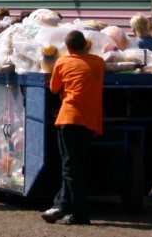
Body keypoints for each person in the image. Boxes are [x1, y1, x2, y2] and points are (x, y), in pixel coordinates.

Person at [41, 30, 104, 226]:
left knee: (70, 168)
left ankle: (81, 213)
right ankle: (60, 206)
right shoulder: (98, 62)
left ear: (67, 48)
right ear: (86, 45)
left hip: (69, 118)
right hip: (90, 121)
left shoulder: (62, 62)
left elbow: (54, 88)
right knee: (75, 166)